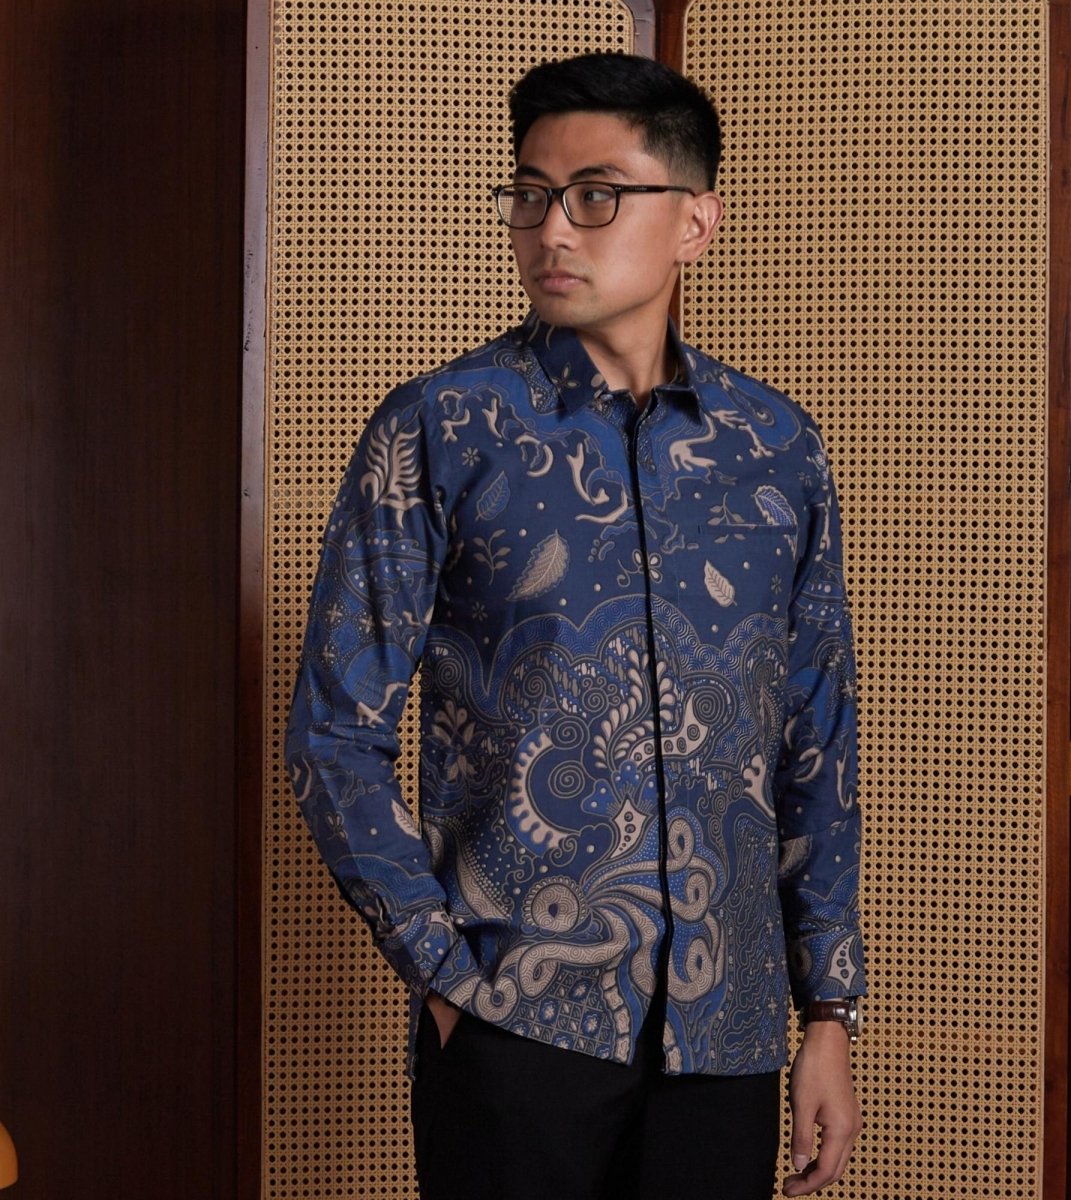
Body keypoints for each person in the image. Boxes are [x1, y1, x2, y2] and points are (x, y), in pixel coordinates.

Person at [286, 51, 865, 1200]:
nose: (551, 229)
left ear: (694, 221)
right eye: (530, 194)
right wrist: (446, 974)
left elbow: (816, 742)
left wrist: (828, 1010)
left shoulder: (777, 452)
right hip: (516, 1026)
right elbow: (334, 736)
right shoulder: (442, 429)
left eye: (596, 195)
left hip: (729, 1031)